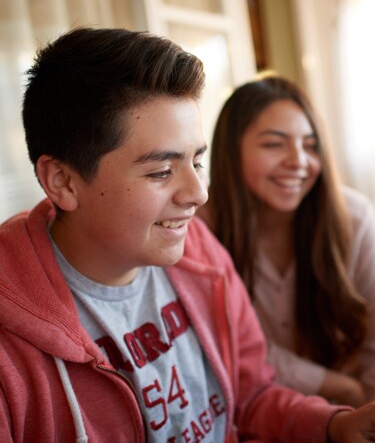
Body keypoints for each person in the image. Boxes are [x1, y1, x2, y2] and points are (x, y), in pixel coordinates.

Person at [0, 29, 375, 443]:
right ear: (63, 182)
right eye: (161, 171)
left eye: (197, 161)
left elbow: (250, 397)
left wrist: (333, 425)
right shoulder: (11, 350)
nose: (199, 194)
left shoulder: (198, 251)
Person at [197, 75, 375, 410]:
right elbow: (228, 345)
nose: (298, 161)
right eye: (274, 144)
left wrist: (362, 410)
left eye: (310, 146)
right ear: (231, 151)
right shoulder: (198, 231)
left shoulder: (354, 218)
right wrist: (337, 386)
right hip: (249, 414)